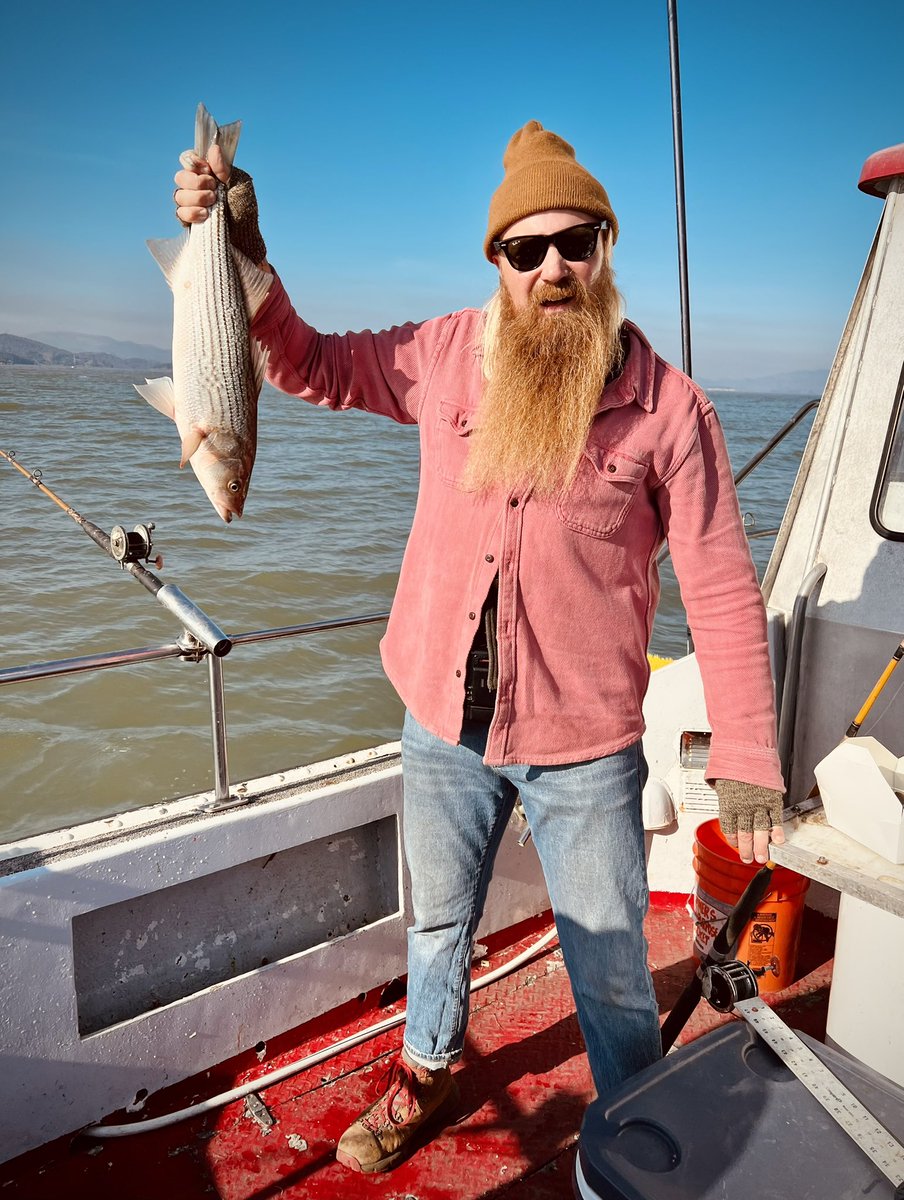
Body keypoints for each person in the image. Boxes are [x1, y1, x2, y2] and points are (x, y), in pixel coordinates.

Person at [173, 120, 786, 1174]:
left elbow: (722, 587)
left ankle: (639, 1128)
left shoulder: (672, 410)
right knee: (436, 927)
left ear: (605, 249)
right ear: (495, 263)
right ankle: (426, 1069)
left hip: (585, 745)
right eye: (525, 249)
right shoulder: (444, 354)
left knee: (606, 971)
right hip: (438, 716)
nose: (553, 268)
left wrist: (745, 757)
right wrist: (244, 252)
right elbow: (306, 363)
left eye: (575, 243)